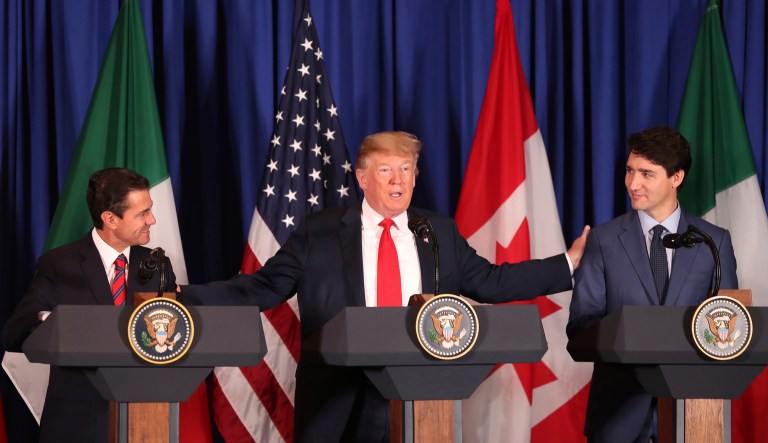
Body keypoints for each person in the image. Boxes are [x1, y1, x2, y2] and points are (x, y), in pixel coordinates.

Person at [181, 131, 590, 442]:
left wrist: (568, 264)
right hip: (337, 396)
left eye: (407, 169)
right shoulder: (320, 233)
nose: (398, 181)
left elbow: (490, 282)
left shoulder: (437, 231)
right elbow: (264, 289)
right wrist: (185, 296)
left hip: (419, 392)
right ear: (362, 178)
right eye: (386, 170)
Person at [566, 126, 738, 443]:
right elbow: (579, 327)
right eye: (630, 171)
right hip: (618, 416)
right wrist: (632, 334)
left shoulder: (713, 242)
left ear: (676, 178)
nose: (633, 184)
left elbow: (729, 326)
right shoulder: (604, 240)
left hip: (694, 413)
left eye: (647, 174)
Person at [2, 167, 176, 443]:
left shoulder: (157, 266)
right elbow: (14, 334)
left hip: (144, 423)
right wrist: (58, 320)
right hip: (76, 426)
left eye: (150, 210)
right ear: (110, 218)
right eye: (142, 213)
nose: (152, 220)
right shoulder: (60, 264)